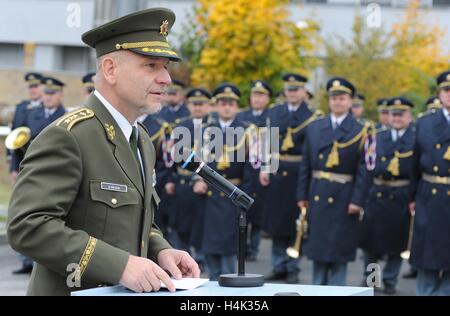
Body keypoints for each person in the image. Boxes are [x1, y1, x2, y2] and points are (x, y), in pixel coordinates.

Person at [7, 7, 199, 296]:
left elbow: (130, 221)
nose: (166, 79)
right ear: (110, 69)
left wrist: (160, 249)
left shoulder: (141, 140)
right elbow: (28, 226)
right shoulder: (69, 136)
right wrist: (119, 265)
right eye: (151, 66)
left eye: (166, 67)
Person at [297, 77, 369, 286]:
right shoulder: (314, 127)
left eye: (342, 98)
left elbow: (365, 171)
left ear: (350, 101)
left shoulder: (361, 130)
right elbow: (305, 165)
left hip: (344, 197)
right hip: (317, 192)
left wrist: (357, 201)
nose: (338, 102)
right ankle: (317, 290)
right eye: (334, 98)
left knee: (339, 254)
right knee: (318, 252)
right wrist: (302, 195)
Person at [261, 73, 321, 284]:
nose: (293, 93)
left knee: (297, 221)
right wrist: (265, 168)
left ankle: (293, 265)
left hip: (299, 172)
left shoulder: (313, 116)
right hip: (278, 171)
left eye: (296, 89)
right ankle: (279, 265)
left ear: (304, 91)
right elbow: (267, 142)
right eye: (289, 89)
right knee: (277, 223)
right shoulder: (275, 112)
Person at [192, 83, 248, 281]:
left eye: (231, 103)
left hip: (233, 195)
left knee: (228, 253)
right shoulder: (206, 130)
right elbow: (197, 161)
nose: (226, 107)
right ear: (216, 106)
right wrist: (196, 180)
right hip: (208, 196)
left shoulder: (247, 130)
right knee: (209, 251)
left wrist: (244, 196)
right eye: (223, 103)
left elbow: (250, 169)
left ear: (237, 106)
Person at [360, 97, 415, 295]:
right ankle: (371, 279)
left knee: (397, 242)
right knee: (371, 243)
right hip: (377, 193)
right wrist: (362, 198)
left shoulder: (415, 138)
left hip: (401, 194)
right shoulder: (377, 137)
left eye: (401, 114)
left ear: (410, 116)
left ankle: (390, 281)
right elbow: (366, 169)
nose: (397, 118)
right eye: (394, 114)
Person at [409, 70, 450, 296]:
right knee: (427, 257)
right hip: (429, 195)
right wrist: (412, 197)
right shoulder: (425, 122)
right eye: (446, 90)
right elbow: (414, 163)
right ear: (439, 94)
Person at [237, 80, 272, 261]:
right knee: (241, 208)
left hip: (261, 169)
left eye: (261, 95)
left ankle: (254, 247)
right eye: (254, 95)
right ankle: (241, 246)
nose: (257, 99)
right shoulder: (242, 116)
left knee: (257, 211)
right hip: (244, 168)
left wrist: (268, 168)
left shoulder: (270, 117)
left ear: (267, 98)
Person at [8, 72, 43, 186]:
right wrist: (13, 166)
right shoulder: (20, 107)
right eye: (30, 87)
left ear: (42, 87)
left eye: (36, 86)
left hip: (37, 158)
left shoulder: (47, 108)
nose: (32, 90)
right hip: (19, 158)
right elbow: (13, 135)